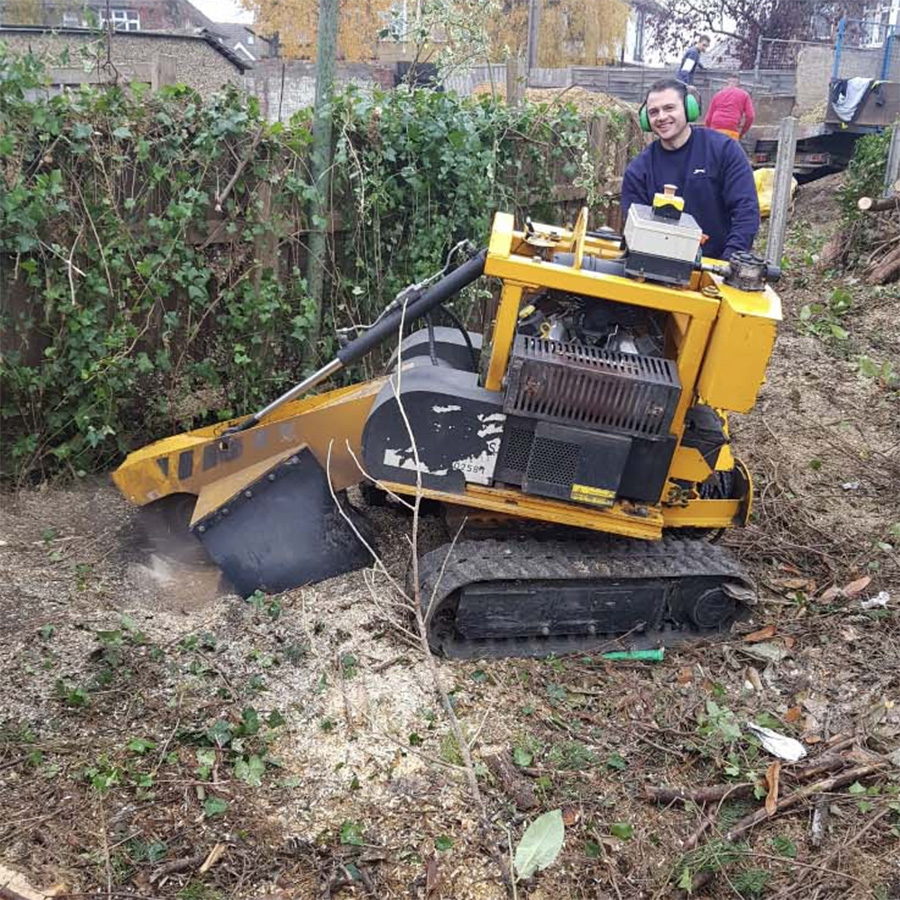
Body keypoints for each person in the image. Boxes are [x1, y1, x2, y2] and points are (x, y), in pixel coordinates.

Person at [622, 79, 759, 261]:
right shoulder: (639, 170)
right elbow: (634, 229)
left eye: (669, 108)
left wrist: (727, 264)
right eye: (654, 112)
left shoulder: (724, 150)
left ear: (689, 109)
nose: (661, 117)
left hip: (715, 265)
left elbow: (746, 211)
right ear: (646, 120)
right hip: (654, 267)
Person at [705, 74, 755, 139]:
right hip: (732, 128)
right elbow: (750, 116)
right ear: (739, 84)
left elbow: (708, 118)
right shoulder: (744, 95)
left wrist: (708, 133)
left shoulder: (718, 95)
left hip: (715, 127)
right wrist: (742, 132)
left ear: (727, 83)